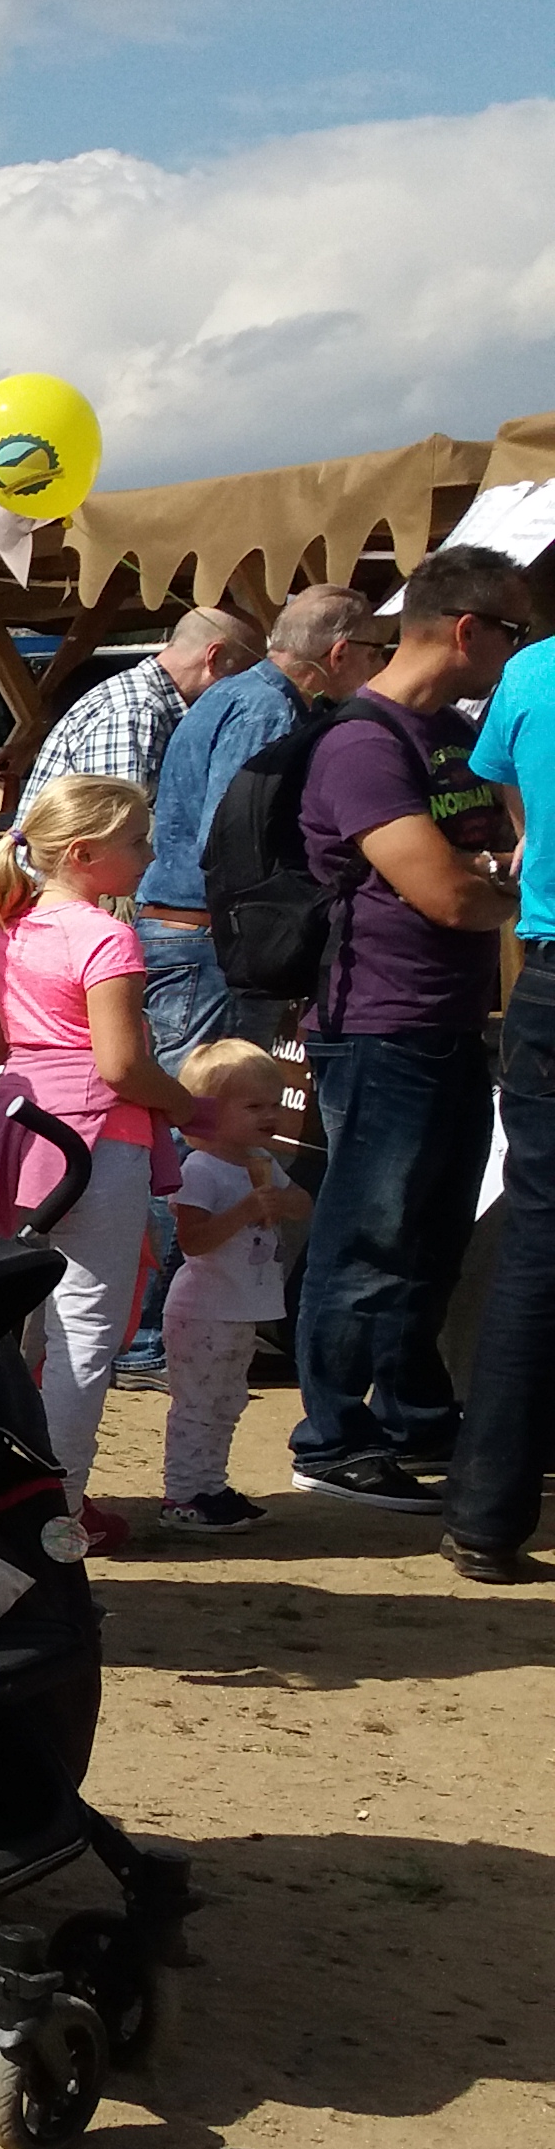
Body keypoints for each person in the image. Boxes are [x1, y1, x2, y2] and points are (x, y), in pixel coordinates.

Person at [287, 545, 525, 1511]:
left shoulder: (453, 735)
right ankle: (331, 1435)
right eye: (514, 632)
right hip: (379, 1023)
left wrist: (491, 879)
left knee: (431, 1234)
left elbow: (489, 862)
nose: (521, 651)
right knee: (368, 1236)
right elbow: (448, 895)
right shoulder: (362, 743)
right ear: (468, 631)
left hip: (446, 1019)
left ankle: (413, 1415)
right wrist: (506, 889)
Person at [0, 776, 191, 1547]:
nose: (149, 854)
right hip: (95, 1139)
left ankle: (19, 1487)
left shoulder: (4, 931)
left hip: (15, 1129)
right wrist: (189, 1106)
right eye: (136, 841)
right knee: (86, 1330)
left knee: (26, 1324)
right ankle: (56, 1507)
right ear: (85, 854)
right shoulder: (105, 936)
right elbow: (123, 1065)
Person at [139, 586, 379, 1061]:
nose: (380, 666)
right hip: (213, 940)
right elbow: (232, 839)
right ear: (340, 653)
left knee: (198, 1095)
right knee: (215, 1097)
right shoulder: (267, 710)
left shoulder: (239, 695)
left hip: (193, 933)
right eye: (375, 652)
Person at [446, 587, 555, 1578]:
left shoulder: (530, 671)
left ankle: (487, 1514)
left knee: (537, 1239)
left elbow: (513, 799)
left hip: (549, 967)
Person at [155, 1040, 306, 1537]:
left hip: (240, 1310)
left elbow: (303, 1203)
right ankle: (182, 1494)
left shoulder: (261, 1159)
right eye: (254, 1106)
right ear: (208, 1113)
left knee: (228, 1403)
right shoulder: (200, 1169)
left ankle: (212, 1486)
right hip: (203, 1311)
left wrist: (282, 1202)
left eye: (274, 1104)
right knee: (197, 1405)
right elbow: (193, 1241)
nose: (270, 1116)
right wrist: (245, 1210)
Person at [25, 604, 264, 790]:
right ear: (214, 657)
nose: (250, 689)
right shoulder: (134, 711)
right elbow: (118, 827)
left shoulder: (146, 704)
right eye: (247, 673)